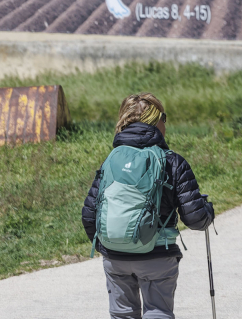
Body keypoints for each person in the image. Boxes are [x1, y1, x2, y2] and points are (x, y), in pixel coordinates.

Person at [82, 93, 214, 319]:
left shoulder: (111, 159)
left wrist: (111, 246)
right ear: (156, 121)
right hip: (157, 255)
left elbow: (89, 214)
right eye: (164, 117)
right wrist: (207, 211)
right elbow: (195, 219)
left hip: (115, 258)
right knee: (158, 313)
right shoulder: (172, 161)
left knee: (122, 316)